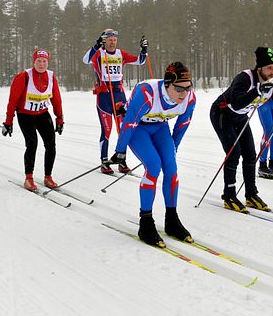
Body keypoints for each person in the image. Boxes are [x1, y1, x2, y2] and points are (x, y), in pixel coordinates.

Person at [109, 62, 196, 247]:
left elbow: (182, 125)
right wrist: (120, 150)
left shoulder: (189, 99)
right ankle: (146, 223)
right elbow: (130, 122)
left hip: (160, 127)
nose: (184, 93)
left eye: (188, 88)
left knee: (171, 168)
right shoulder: (147, 92)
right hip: (137, 129)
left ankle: (172, 220)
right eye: (179, 88)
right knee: (154, 166)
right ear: (167, 84)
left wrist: (174, 147)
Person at [210, 46, 273, 214]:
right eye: (269, 68)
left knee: (251, 154)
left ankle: (251, 194)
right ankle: (229, 195)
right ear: (260, 68)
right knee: (233, 153)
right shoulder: (244, 78)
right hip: (222, 113)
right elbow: (236, 102)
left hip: (241, 117)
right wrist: (257, 91)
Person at [83, 29, 148, 175]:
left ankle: (121, 159)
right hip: (104, 95)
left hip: (119, 95)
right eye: (109, 40)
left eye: (114, 40)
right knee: (106, 130)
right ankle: (104, 161)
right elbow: (86, 60)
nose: (112, 42)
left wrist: (144, 50)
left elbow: (140, 61)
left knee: (123, 128)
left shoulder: (121, 54)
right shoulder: (99, 53)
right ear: (105, 41)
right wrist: (96, 45)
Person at [2, 49, 64, 191]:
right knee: (32, 144)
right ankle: (28, 178)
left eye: (44, 61)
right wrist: (8, 122)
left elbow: (57, 100)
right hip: (25, 115)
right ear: (34, 61)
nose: (41, 64)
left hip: (42, 114)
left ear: (48, 62)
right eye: (38, 61)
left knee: (51, 144)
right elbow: (12, 101)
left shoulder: (51, 76)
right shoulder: (23, 76)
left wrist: (59, 119)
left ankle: (48, 177)